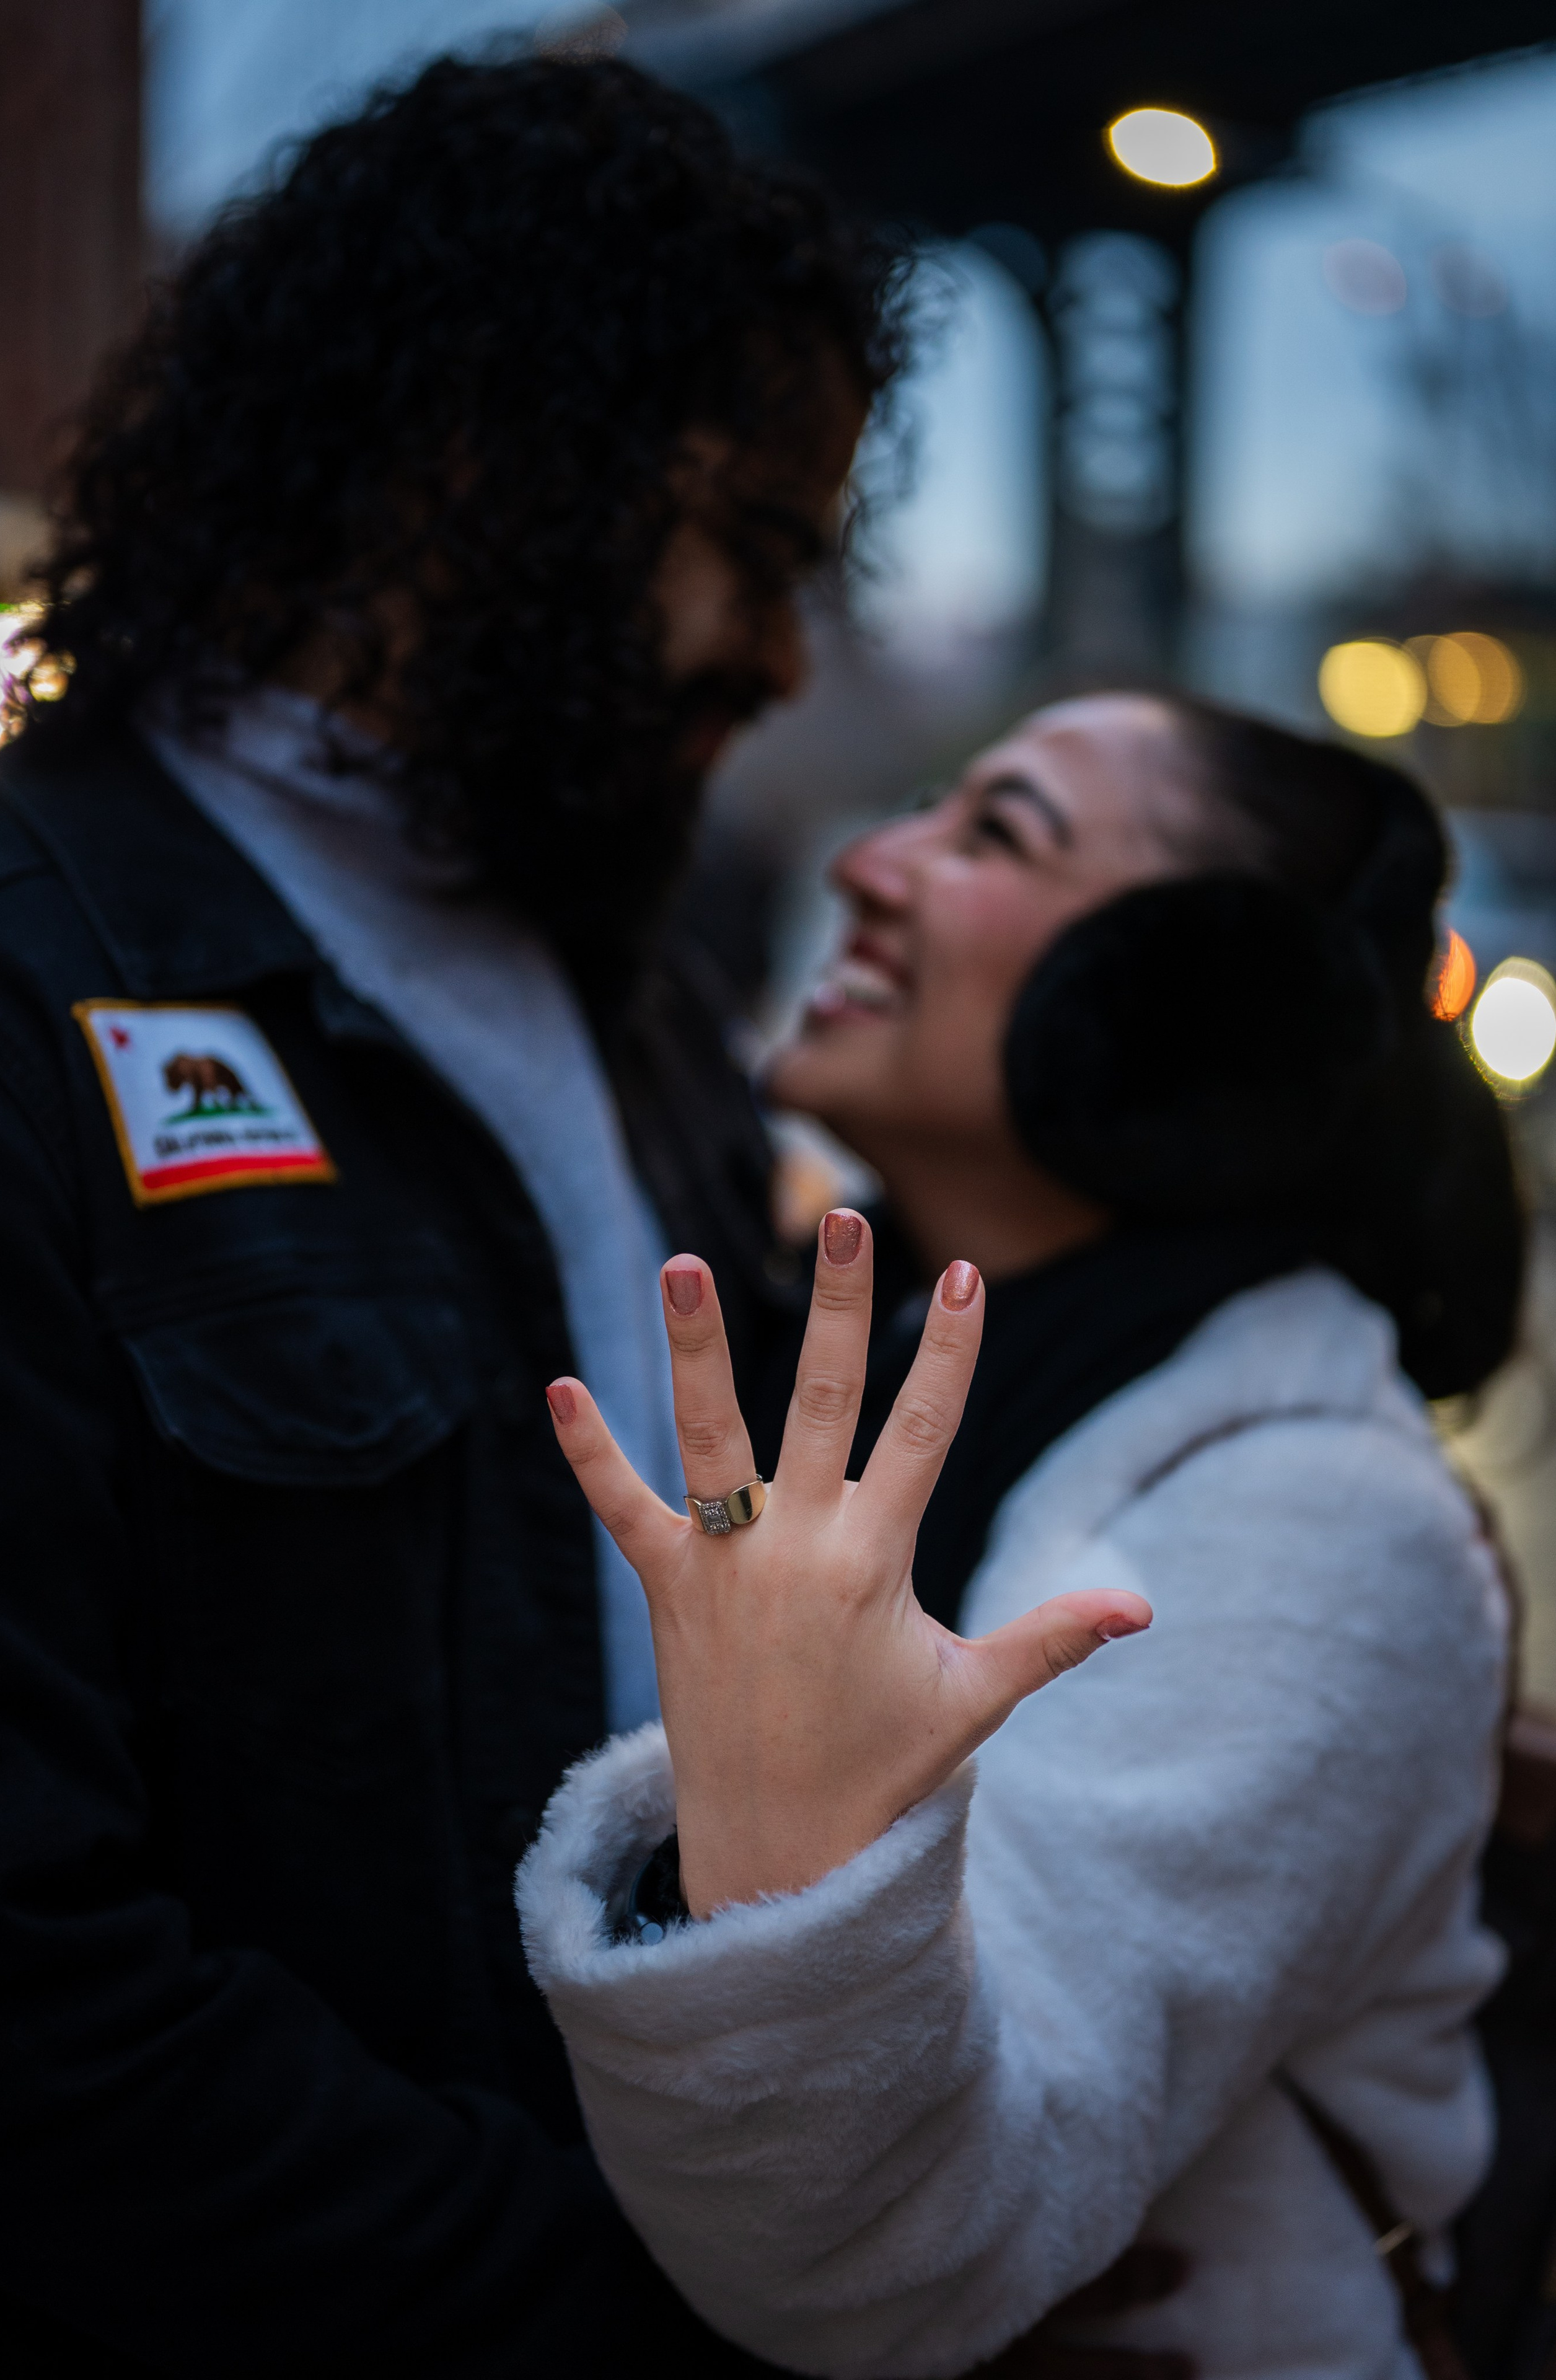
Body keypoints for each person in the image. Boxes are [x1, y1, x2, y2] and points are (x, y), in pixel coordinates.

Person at [0, 55, 905, 2376]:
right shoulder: (10, 995)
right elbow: (18, 1999)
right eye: (754, 548)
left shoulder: (637, 996)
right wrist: (658, 2321)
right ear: (479, 460)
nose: (785, 663)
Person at [521, 692, 1524, 2378]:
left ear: (1190, 1000)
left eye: (998, 831)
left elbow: (882, 2246)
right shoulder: (863, 1356)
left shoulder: (1325, 1527)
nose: (863, 865)